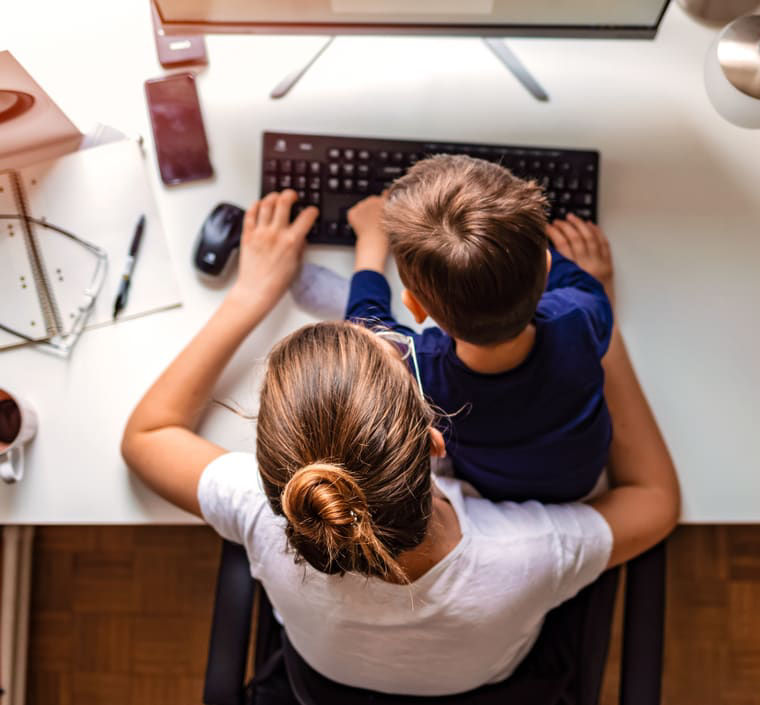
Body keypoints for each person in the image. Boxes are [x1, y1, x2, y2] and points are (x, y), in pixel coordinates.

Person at [121, 189, 679, 696]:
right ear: (437, 442)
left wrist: (251, 293)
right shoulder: (525, 554)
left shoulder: (269, 516)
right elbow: (655, 500)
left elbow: (146, 436)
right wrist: (598, 330)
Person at [346, 155, 614, 503]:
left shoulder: (420, 371)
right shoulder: (582, 311)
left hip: (492, 489)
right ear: (547, 269)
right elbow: (576, 282)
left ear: (415, 307)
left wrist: (369, 245)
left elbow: (364, 332)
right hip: (579, 479)